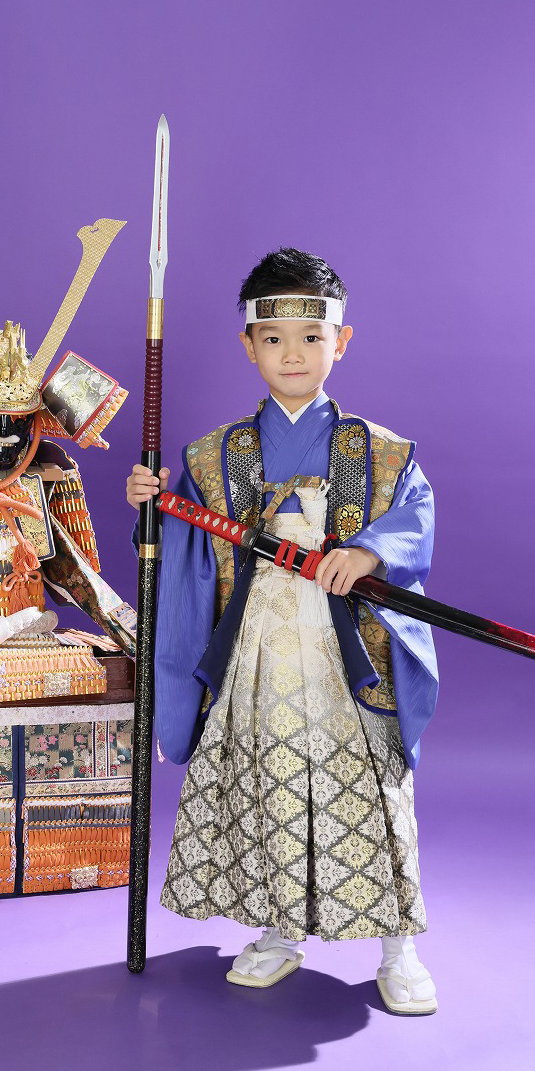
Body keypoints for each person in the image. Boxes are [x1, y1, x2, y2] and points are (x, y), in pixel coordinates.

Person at [126, 248, 439, 1015]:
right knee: (267, 783)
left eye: (311, 336)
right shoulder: (214, 456)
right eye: (273, 338)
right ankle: (278, 927)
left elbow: (416, 516)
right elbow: (186, 551)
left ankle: (398, 945)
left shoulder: (381, 451)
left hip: (346, 655)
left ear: (342, 341)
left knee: (370, 791)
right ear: (249, 345)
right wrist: (154, 505)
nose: (292, 353)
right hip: (259, 650)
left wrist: (367, 552)